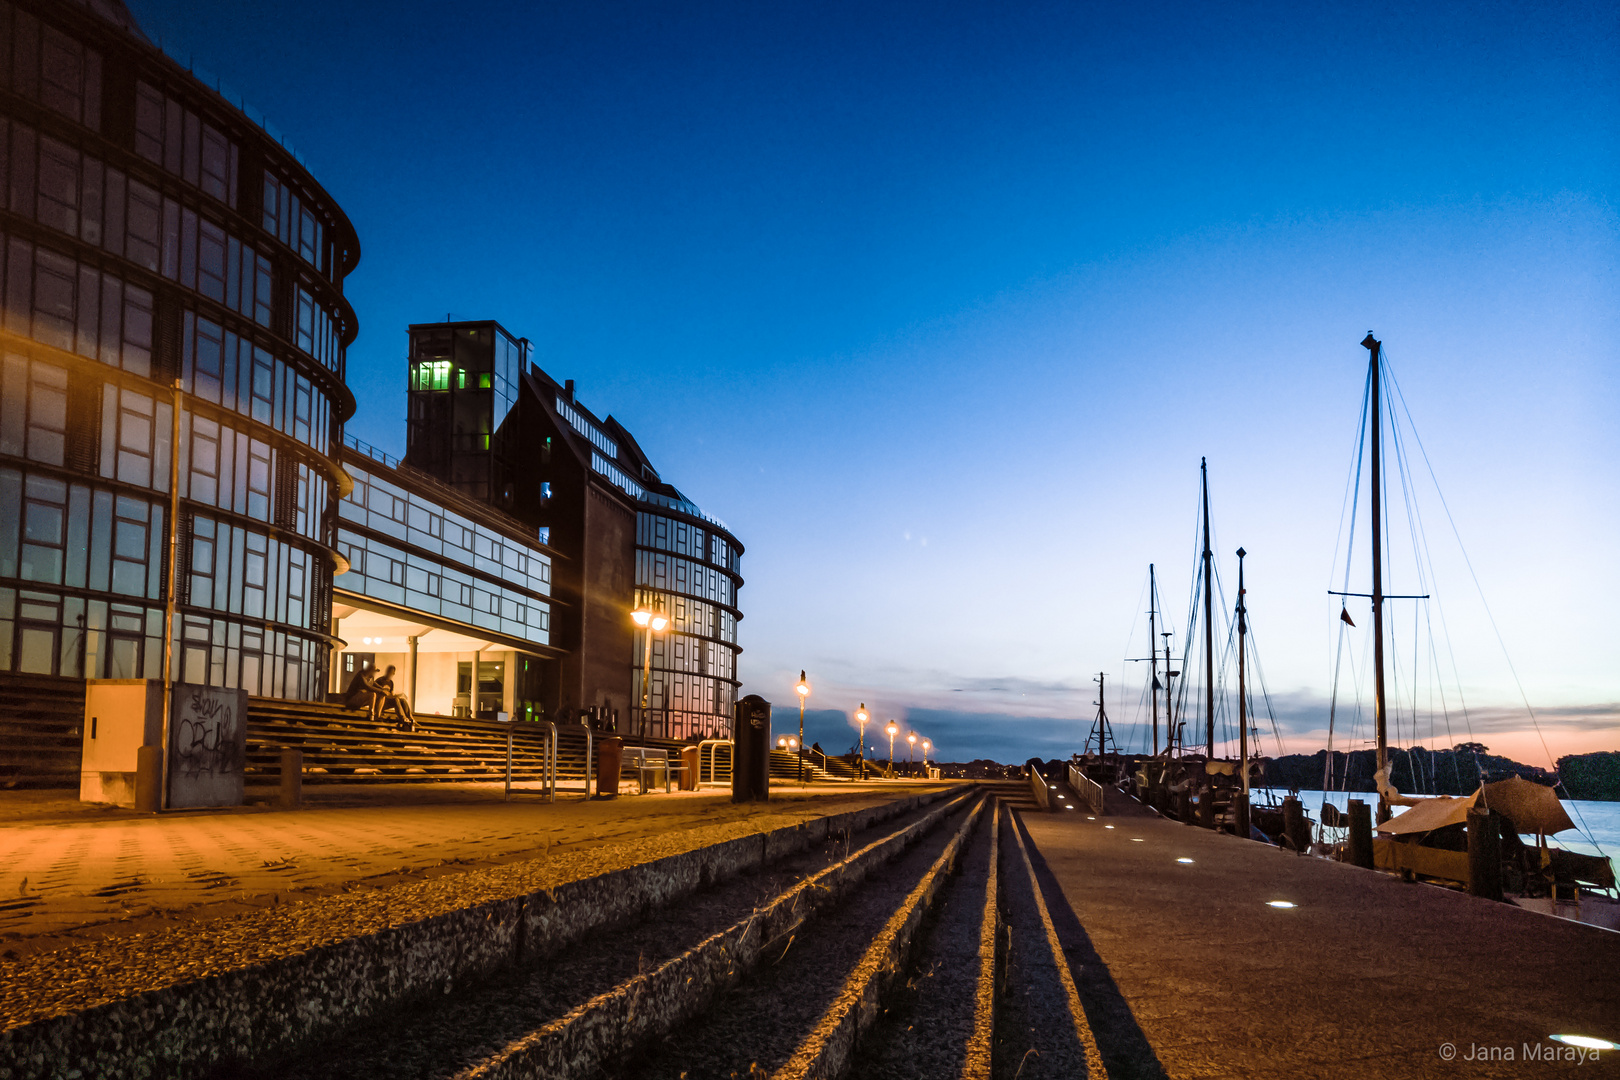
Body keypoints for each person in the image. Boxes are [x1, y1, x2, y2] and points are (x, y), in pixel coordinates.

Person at [372, 664, 416, 731]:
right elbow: (375, 692)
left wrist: (398, 695)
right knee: (396, 699)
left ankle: (410, 718)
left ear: (393, 673)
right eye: (388, 672)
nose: (389, 674)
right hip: (380, 702)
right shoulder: (380, 680)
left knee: (403, 700)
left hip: (388, 700)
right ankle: (403, 718)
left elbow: (391, 695)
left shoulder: (391, 683)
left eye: (391, 673)